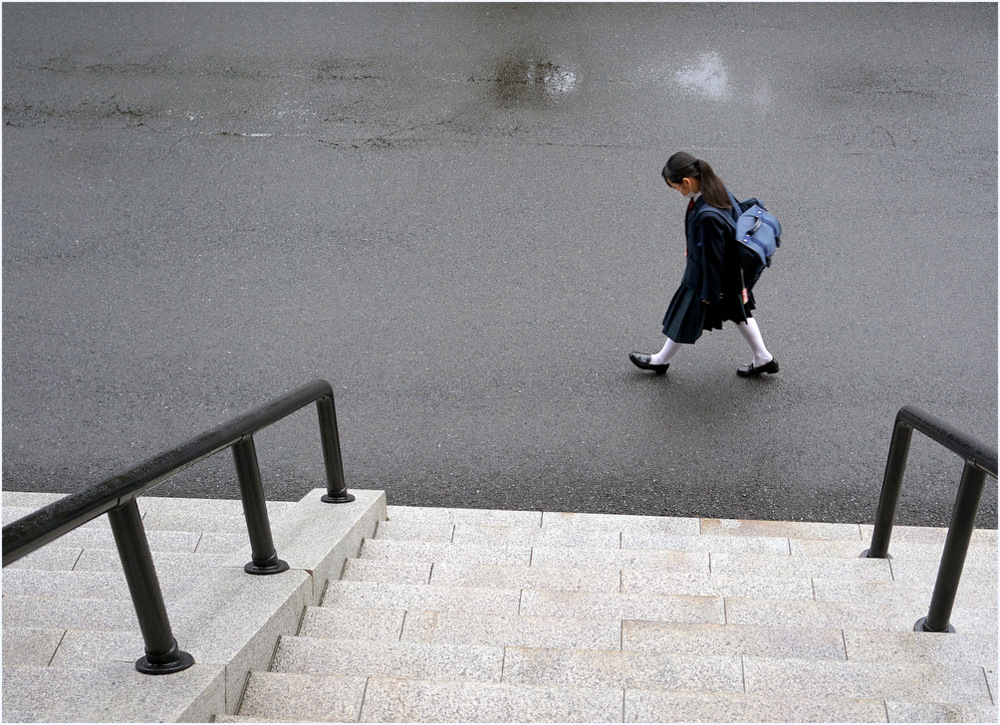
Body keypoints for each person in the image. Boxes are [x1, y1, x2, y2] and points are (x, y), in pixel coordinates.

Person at [629, 152, 778, 377]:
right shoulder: (715, 189)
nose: (677, 192)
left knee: (685, 315)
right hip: (732, 275)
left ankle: (661, 360)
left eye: (675, 187)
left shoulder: (707, 214)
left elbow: (713, 259)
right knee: (739, 312)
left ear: (687, 182)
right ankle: (763, 358)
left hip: (706, 279)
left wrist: (709, 293)